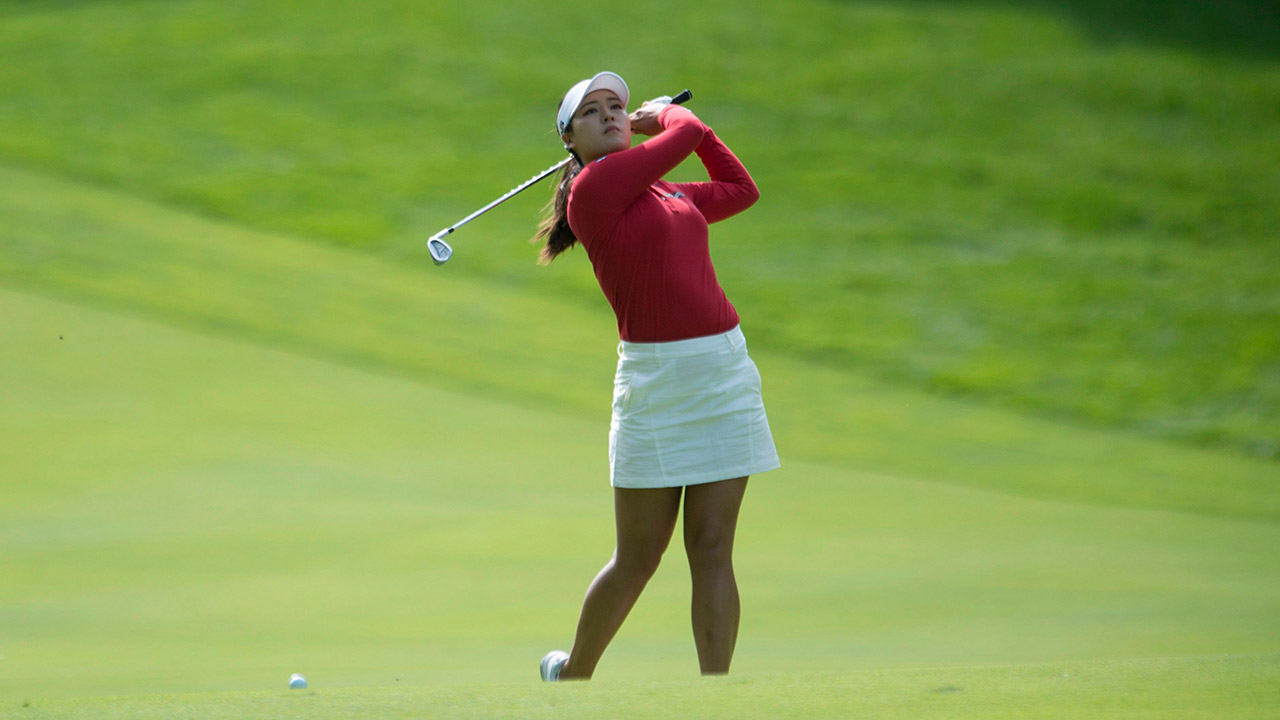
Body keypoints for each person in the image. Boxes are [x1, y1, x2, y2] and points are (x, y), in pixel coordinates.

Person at [534, 72, 780, 682]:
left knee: (714, 547)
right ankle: (574, 675)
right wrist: (663, 115)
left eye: (617, 105)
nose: (612, 115)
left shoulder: (667, 192)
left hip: (723, 371)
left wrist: (674, 126)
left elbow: (741, 189)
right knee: (640, 556)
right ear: (572, 139)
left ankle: (715, 695)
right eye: (593, 112)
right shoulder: (591, 189)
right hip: (656, 385)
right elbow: (687, 128)